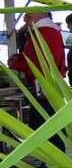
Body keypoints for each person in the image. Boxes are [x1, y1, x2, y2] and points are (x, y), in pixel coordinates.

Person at [8, 11, 67, 139]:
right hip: (46, 81)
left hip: (42, 83)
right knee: (47, 118)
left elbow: (37, 61)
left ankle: (49, 153)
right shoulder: (48, 32)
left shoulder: (44, 32)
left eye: (28, 16)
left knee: (43, 120)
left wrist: (17, 63)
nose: (24, 20)